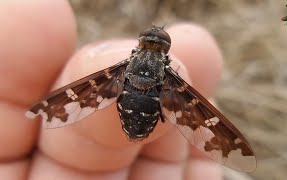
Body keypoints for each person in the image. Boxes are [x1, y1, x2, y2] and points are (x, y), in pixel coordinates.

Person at [0, 1, 223, 179]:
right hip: (149, 111)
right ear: (166, 50)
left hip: (130, 108)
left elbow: (85, 92)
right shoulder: (171, 74)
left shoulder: (124, 65)